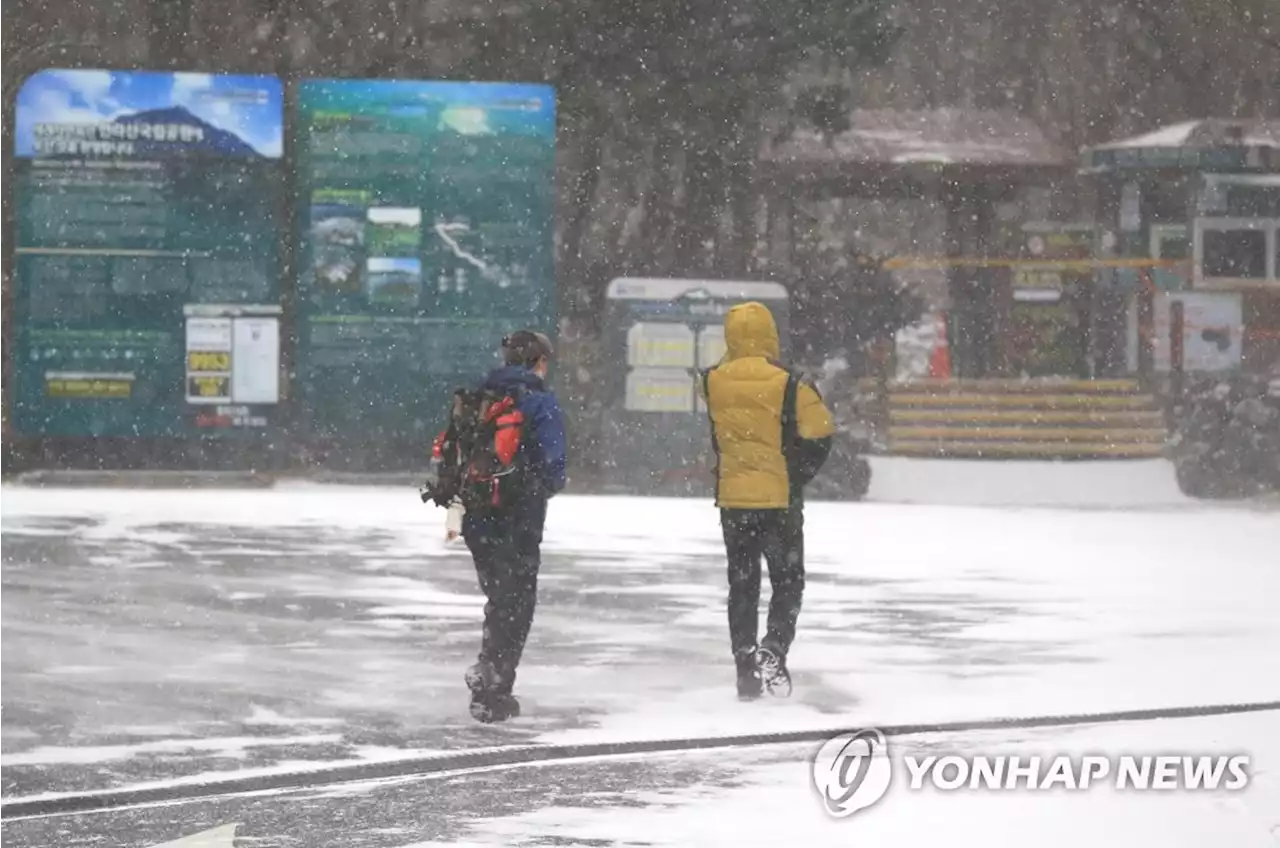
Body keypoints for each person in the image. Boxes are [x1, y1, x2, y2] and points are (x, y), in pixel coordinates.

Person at [699, 301, 835, 700]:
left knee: (742, 585)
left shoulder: (713, 381)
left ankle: (745, 670)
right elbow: (821, 432)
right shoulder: (790, 384)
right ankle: (774, 645)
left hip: (733, 500)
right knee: (787, 581)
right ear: (770, 335)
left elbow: (720, 391)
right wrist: (798, 474)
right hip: (779, 501)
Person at [462, 329, 567, 722]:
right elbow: (555, 467)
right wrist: (539, 487)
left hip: (476, 513)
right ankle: (496, 684)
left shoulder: (481, 397)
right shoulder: (540, 403)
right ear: (539, 362)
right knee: (518, 602)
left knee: (499, 597)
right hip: (519, 515)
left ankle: (488, 678)